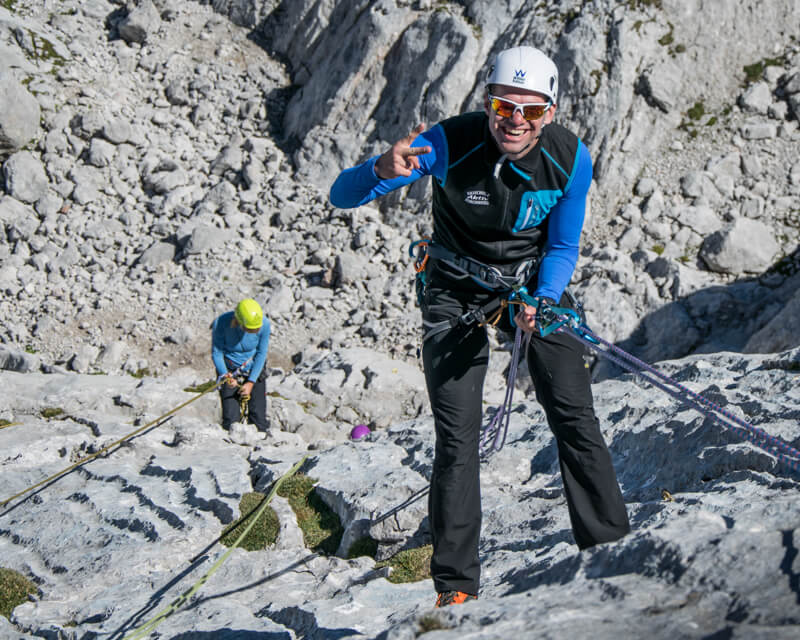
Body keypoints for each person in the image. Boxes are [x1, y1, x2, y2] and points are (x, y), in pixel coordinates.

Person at [329, 45, 630, 607]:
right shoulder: (449, 142)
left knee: (573, 411)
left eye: (531, 111)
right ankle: (456, 586)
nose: (514, 121)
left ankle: (609, 548)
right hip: (454, 289)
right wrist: (380, 170)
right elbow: (340, 196)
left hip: (528, 289)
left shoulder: (569, 159)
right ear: (487, 102)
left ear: (551, 111)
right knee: (457, 435)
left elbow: (563, 245)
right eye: (503, 106)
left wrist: (543, 297)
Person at [211, 298, 271, 431]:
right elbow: (217, 353)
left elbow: (261, 353)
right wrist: (225, 375)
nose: (254, 331)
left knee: (259, 419)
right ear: (238, 321)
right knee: (231, 420)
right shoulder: (221, 323)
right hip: (229, 369)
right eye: (250, 329)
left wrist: (251, 382)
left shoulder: (265, 325)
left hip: (254, 368)